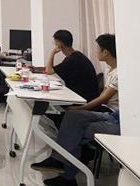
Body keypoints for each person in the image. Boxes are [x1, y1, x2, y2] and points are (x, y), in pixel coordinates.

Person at [31, 34, 119, 186]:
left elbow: (104, 98)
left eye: (98, 49)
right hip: (104, 109)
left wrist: (82, 107)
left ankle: (66, 172)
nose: (95, 51)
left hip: (112, 114)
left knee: (72, 126)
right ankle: (62, 166)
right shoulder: (110, 70)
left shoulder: (118, 73)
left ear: (106, 52)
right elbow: (104, 96)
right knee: (71, 117)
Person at [45, 30, 99, 102]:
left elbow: (48, 71)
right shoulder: (76, 56)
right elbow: (54, 69)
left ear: (59, 45)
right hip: (84, 96)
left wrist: (52, 53)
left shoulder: (71, 61)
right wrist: (37, 69)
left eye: (55, 42)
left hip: (82, 100)